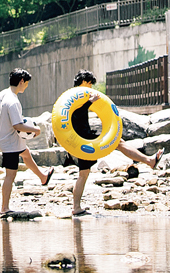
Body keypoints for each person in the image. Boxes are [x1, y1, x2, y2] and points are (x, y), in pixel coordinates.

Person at [68, 70, 164, 216]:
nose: (91, 88)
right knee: (83, 173)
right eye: (90, 84)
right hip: (82, 140)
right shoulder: (74, 97)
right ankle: (76, 207)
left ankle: (149, 160)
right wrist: (90, 102)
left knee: (117, 143)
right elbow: (76, 114)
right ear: (84, 83)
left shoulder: (81, 97)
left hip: (87, 136)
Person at [0, 68, 53, 217]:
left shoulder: (2, 94)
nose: (26, 86)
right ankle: (4, 208)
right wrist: (35, 130)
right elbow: (18, 125)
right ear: (21, 81)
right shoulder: (13, 101)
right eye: (26, 83)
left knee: (26, 154)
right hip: (9, 143)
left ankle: (42, 177)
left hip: (5, 137)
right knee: (10, 176)